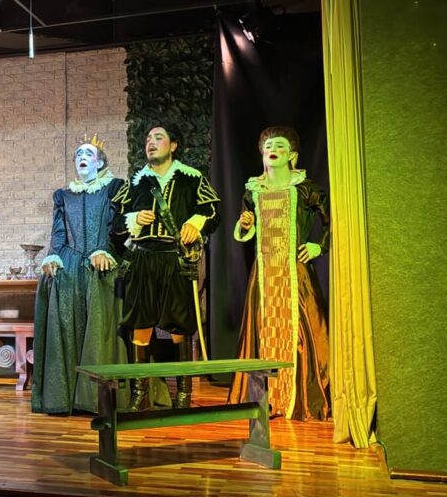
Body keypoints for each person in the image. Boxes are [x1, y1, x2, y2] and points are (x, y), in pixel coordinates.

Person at [226, 126, 331, 420]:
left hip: (295, 273)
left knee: (302, 331)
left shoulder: (306, 189)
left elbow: (332, 220)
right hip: (264, 274)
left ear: (292, 155)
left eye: (280, 146)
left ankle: (300, 397)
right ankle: (265, 399)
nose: (273, 149)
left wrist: (319, 246)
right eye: (269, 146)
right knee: (263, 330)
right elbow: (247, 228)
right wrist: (245, 225)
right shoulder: (253, 191)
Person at [113, 125, 220, 410]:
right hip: (143, 258)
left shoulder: (191, 178)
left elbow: (213, 211)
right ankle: (140, 394)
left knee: (179, 327)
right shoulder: (135, 183)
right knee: (140, 325)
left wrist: (195, 223)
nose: (150, 142)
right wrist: (134, 219)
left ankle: (183, 394)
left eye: (158, 137)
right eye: (148, 138)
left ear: (173, 145)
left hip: (175, 259)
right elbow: (115, 223)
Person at [31, 135, 129, 415]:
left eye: (88, 154)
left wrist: (105, 251)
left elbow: (117, 227)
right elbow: (59, 233)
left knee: (99, 313)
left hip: (103, 261)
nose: (81, 158)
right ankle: (64, 396)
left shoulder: (113, 188)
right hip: (71, 261)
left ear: (99, 162)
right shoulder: (64, 196)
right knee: (57, 286)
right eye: (77, 155)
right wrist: (52, 256)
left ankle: (97, 398)